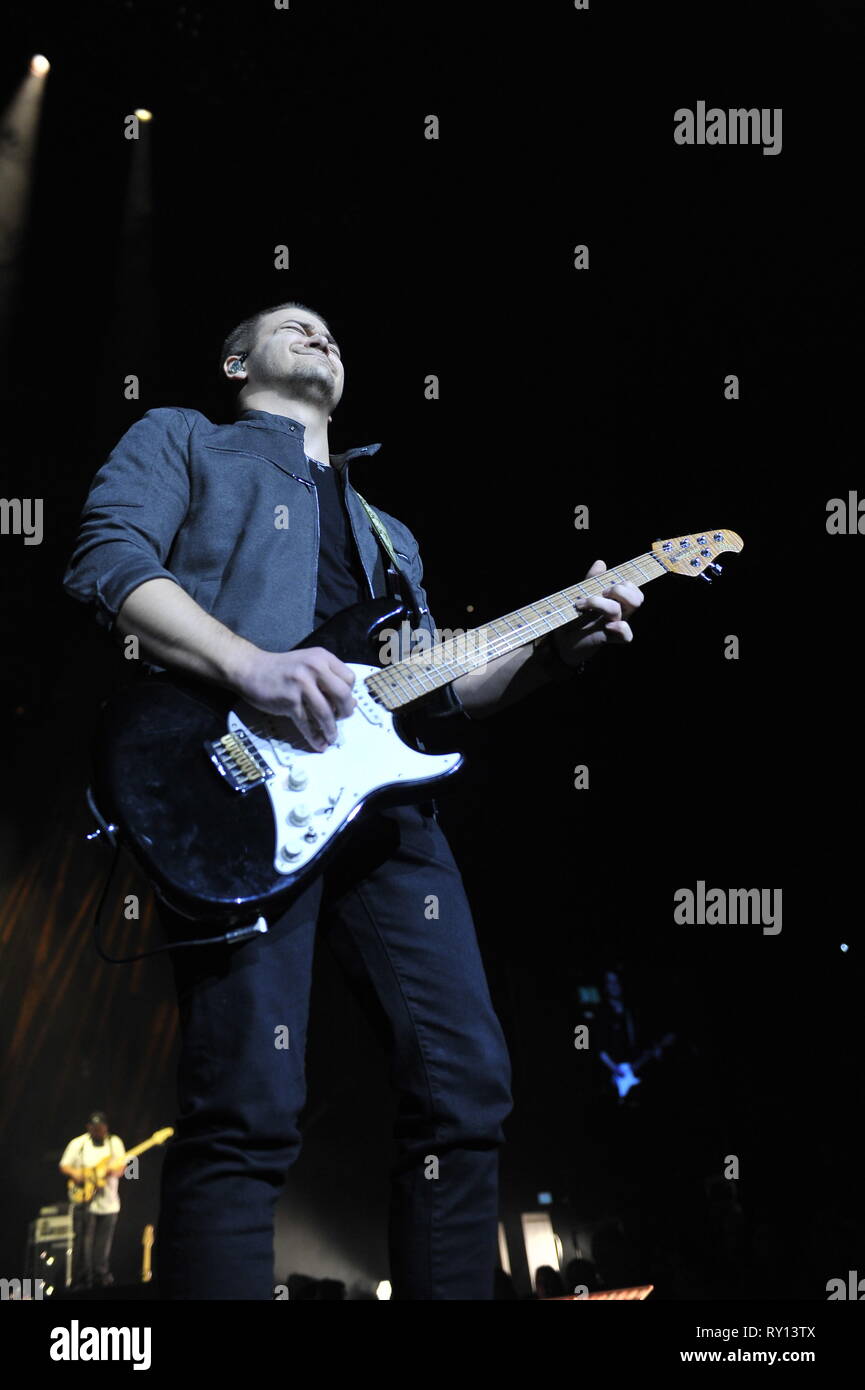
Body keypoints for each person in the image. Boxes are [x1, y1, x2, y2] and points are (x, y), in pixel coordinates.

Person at [63, 300, 645, 1299]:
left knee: (466, 1087)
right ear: (236, 361)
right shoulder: (182, 437)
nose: (321, 333)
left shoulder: (390, 532)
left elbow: (439, 688)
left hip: (385, 817)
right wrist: (252, 667)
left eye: (332, 328)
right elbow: (107, 563)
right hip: (228, 790)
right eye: (293, 325)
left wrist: (556, 653)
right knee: (245, 1104)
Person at [59, 1111, 126, 1289]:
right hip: (85, 1202)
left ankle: (100, 1277)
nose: (99, 1132)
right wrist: (78, 1174)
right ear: (89, 1128)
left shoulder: (114, 1142)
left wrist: (109, 1171)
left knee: (103, 1244)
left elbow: (122, 1167)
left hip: (109, 1202)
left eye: (101, 1129)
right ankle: (82, 1279)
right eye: (95, 1129)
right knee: (83, 1242)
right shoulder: (78, 1143)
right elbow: (64, 1165)